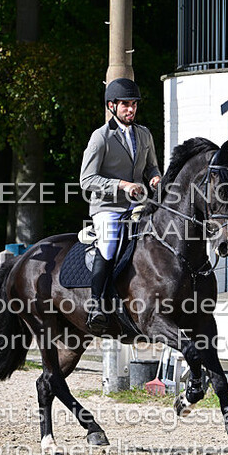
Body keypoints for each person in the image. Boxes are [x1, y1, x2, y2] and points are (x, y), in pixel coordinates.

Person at [80, 77, 161, 334]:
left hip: (138, 204)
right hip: (108, 207)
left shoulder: (144, 134)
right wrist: (122, 185)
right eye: (125, 104)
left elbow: (151, 166)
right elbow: (86, 179)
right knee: (109, 243)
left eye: (134, 104)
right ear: (112, 106)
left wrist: (156, 177)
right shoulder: (100, 137)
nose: (131, 109)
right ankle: (96, 305)